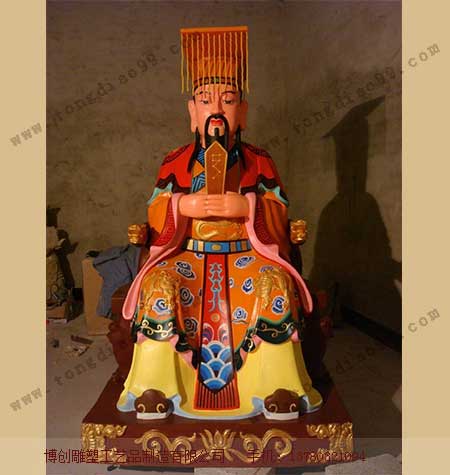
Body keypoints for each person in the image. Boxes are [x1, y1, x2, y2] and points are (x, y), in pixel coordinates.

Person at [116, 26, 322, 420]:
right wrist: (183, 204)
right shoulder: (175, 160)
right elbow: (156, 208)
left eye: (227, 101)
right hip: (188, 255)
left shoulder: (259, 160)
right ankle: (157, 386)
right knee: (159, 286)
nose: (216, 110)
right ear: (192, 112)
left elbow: (278, 208)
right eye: (205, 100)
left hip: (247, 255)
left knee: (273, 285)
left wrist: (247, 207)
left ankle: (276, 385)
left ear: (242, 111)